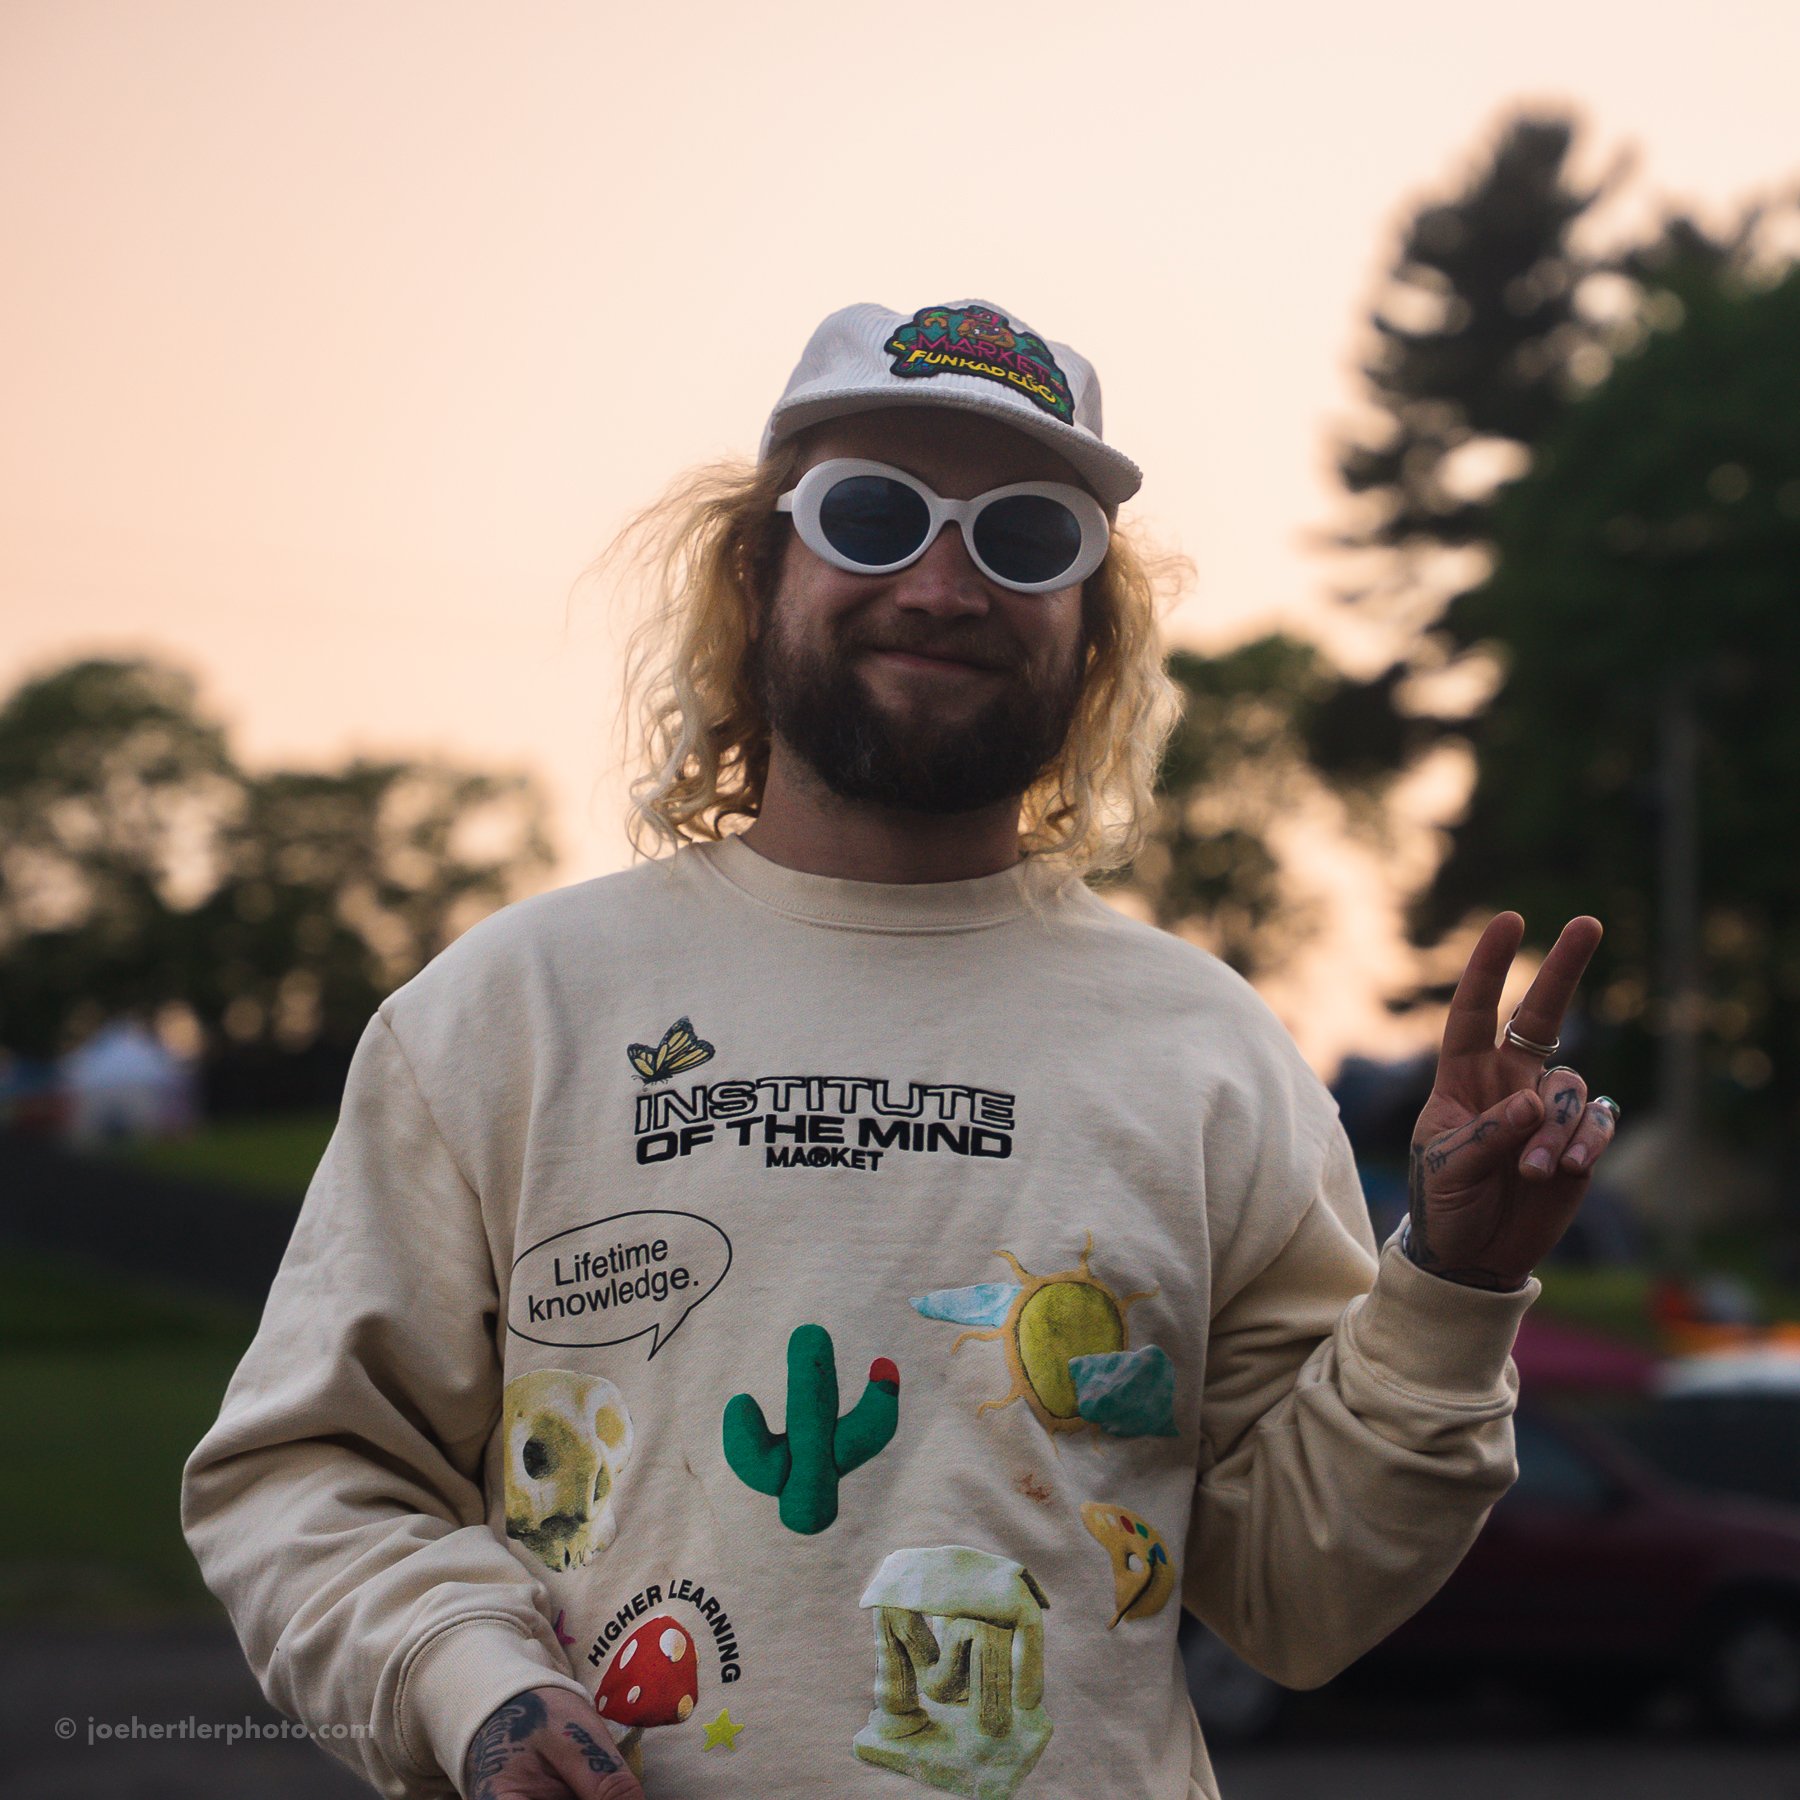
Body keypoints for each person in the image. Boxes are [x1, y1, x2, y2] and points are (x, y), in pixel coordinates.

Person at [182, 297, 1619, 1800]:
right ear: (760, 568)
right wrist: (471, 1689)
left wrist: (1452, 1289)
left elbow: (1299, 1603)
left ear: (1093, 617)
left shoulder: (1208, 1053)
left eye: (1026, 537)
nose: (942, 584)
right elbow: (305, 1477)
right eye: (872, 518)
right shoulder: (506, 1014)